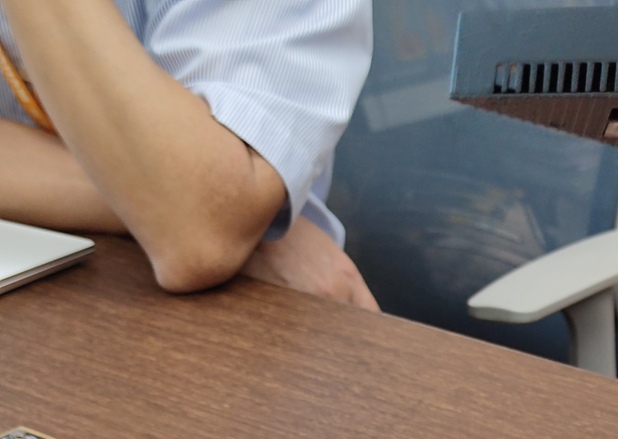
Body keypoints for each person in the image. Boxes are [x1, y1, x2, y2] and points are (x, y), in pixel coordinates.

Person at [0, 0, 377, 307]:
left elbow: (199, 229)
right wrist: (164, 194)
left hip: (225, 322)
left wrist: (191, 204)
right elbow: (203, 212)